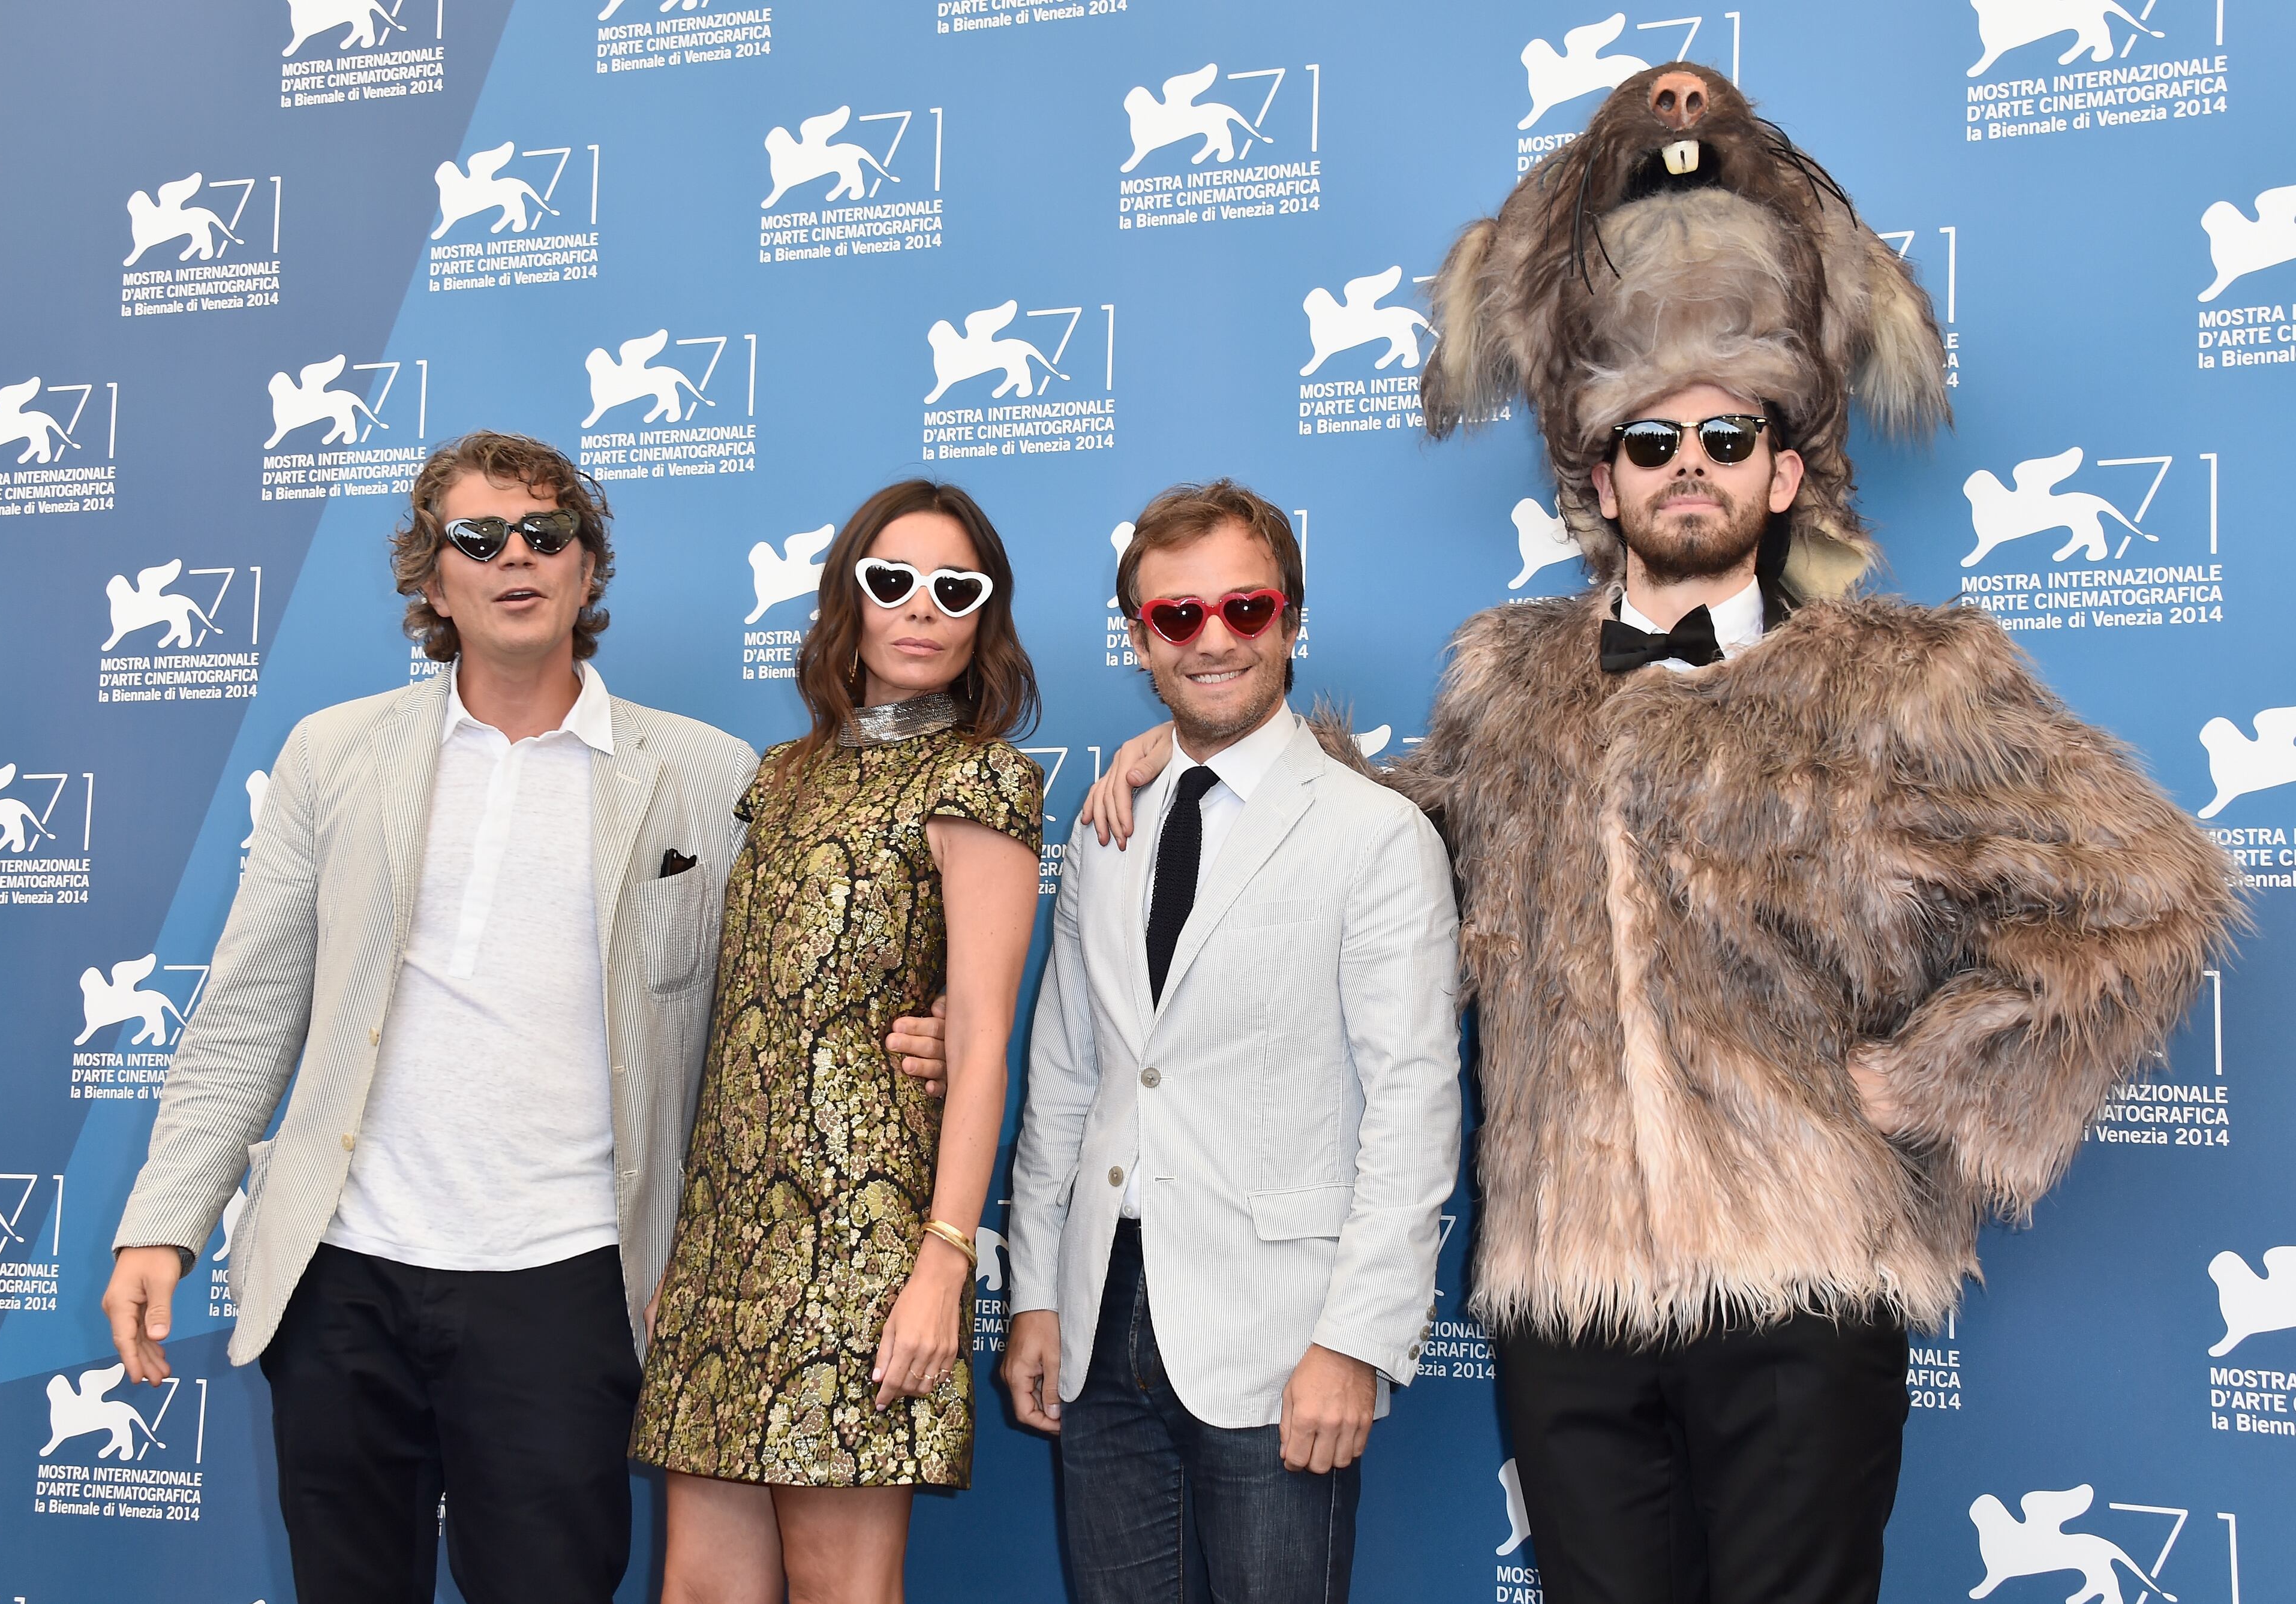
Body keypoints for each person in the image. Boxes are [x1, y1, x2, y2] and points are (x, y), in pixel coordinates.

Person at [1083, 67, 2240, 1604]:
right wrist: (1211, 727)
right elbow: (1368, 850)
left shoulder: (1909, 679)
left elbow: (2151, 899)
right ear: (1600, 480)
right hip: (1567, 1298)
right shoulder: (1506, 683)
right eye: (1649, 441)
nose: (1685, 460)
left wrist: (1938, 1080)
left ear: (1783, 467)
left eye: (1726, 432)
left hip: (1806, 1284)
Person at [102, 431, 895, 1604]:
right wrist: (165, 1223)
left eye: (547, 533)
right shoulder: (333, 756)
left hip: (569, 1282)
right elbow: (246, 1017)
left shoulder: (706, 772)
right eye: (479, 538)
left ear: (587, 569)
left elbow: (785, 1005)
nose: (515, 557)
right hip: (341, 1276)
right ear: (433, 579)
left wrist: (907, 1041)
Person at [1003, 480, 1462, 1604]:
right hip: (1100, 1317)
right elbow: (1066, 1078)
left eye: (1245, 610)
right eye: (1177, 618)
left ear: (1293, 620)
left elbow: (1413, 1107)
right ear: (1142, 642)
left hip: (1283, 1337)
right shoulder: (1109, 824)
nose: (1213, 640)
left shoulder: (1377, 837)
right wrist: (1032, 1296)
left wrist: (1357, 1341)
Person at [632, 481, 1044, 1604]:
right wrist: (691, 1248)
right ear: (847, 599)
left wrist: (943, 1263)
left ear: (984, 617)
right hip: (729, 1243)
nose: (921, 609)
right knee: (700, 1590)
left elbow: (984, 1043)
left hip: (868, 1242)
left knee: (840, 1594)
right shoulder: (781, 777)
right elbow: (740, 1023)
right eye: (892, 581)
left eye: (954, 589)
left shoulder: (982, 778)